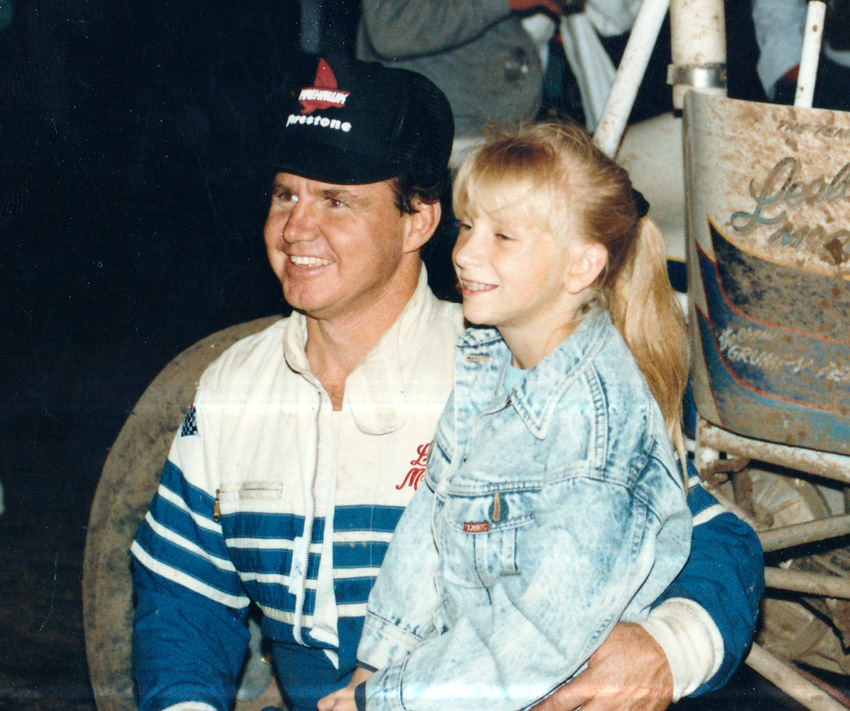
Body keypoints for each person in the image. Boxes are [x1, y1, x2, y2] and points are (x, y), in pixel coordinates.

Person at [130, 52, 763, 711]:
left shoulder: (505, 368)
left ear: (419, 221)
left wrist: (666, 647)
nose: (296, 228)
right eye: (285, 193)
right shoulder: (235, 385)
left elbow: (714, 539)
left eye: (337, 201)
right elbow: (184, 592)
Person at [317, 120, 693, 711]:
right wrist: (373, 670)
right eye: (469, 226)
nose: (466, 253)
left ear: (580, 267)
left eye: (503, 237)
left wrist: (387, 700)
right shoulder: (488, 362)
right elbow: (428, 527)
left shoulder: (595, 426)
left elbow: (543, 630)